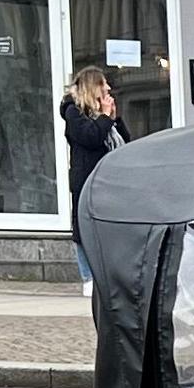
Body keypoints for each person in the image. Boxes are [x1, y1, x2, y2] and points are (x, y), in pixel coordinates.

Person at [60, 65, 127, 282]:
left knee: (109, 227)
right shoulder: (74, 112)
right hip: (88, 180)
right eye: (102, 84)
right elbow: (90, 138)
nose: (107, 88)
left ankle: (109, 274)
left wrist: (114, 118)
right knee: (84, 229)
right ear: (92, 87)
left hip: (109, 182)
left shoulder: (103, 117)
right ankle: (88, 277)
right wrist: (106, 118)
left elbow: (125, 144)